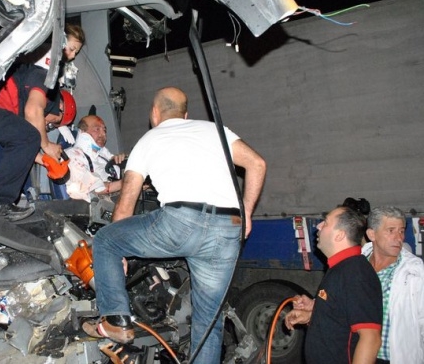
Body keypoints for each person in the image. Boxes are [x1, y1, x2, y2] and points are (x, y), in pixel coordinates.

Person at [82, 87, 267, 364]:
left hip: (181, 222)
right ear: (186, 114)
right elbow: (258, 163)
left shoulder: (150, 139)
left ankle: (117, 320)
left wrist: (118, 252)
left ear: (154, 114)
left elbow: (126, 204)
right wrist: (247, 213)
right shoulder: (215, 130)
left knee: (107, 239)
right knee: (209, 321)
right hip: (228, 228)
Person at [0, 24, 85, 220]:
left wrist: (44, 159)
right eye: (72, 48)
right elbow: (33, 111)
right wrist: (47, 145)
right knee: (30, 136)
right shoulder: (44, 73)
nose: (73, 56)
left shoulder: (22, 101)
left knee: (26, 136)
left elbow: (20, 142)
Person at [284, 206, 383, 364]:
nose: (318, 226)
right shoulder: (340, 268)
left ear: (339, 235)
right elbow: (341, 318)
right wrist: (313, 314)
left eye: (326, 222)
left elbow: (370, 338)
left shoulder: (356, 274)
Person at [362, 206, 424, 364]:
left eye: (401, 231)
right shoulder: (357, 265)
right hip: (358, 355)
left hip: (393, 358)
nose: (399, 238)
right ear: (371, 234)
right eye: (391, 231)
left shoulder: (415, 272)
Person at [64, 115, 126, 200]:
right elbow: (95, 190)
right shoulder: (72, 156)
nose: (103, 134)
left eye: (104, 130)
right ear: (83, 132)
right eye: (97, 129)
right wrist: (128, 182)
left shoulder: (104, 157)